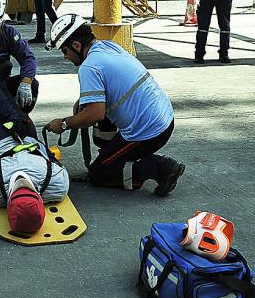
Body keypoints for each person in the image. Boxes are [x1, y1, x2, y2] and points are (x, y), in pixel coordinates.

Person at [44, 14, 185, 196]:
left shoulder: (89, 67)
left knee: (99, 173)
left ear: (76, 46)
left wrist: (64, 123)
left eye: (64, 51)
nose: (65, 57)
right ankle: (111, 155)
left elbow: (95, 114)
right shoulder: (108, 46)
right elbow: (113, 83)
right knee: (91, 110)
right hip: (164, 117)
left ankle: (158, 168)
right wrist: (84, 102)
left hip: (148, 132)